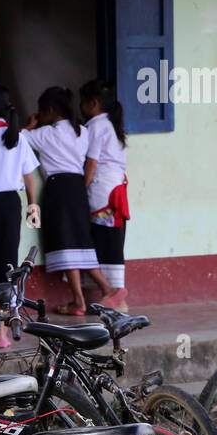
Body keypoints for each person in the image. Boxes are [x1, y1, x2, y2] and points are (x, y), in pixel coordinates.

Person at [24, 87, 122, 315]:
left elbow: (14, 139)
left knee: (66, 244)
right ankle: (93, 294)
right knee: (79, 243)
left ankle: (92, 294)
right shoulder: (82, 131)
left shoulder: (46, 133)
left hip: (59, 189)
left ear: (48, 110)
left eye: (41, 111)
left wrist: (30, 124)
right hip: (79, 188)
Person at [0, 85, 39, 349]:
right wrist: (32, 206)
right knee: (7, 265)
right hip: (8, 204)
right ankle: (3, 334)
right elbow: (29, 176)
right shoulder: (17, 136)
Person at [80, 80, 130, 310]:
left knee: (104, 239)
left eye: (83, 102)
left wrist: (81, 189)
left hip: (102, 192)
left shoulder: (95, 126)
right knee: (112, 238)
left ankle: (115, 292)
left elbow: (91, 163)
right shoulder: (113, 125)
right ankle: (116, 295)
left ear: (93, 103)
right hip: (116, 188)